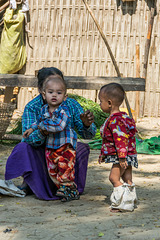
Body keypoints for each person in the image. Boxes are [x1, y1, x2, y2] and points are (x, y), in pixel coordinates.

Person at [5, 67, 96, 200]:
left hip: (63, 150)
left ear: (64, 91)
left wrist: (86, 125)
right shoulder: (33, 107)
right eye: (50, 90)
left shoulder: (70, 105)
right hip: (43, 152)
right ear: (41, 91)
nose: (54, 94)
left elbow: (88, 134)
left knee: (81, 148)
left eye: (58, 90)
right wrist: (42, 132)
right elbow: (28, 138)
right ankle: (32, 182)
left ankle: (69, 187)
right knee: (22, 147)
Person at [23, 74, 79, 202]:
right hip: (51, 146)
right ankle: (71, 190)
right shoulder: (43, 110)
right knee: (53, 170)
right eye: (50, 92)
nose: (54, 95)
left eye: (59, 93)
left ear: (65, 97)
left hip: (65, 145)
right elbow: (38, 122)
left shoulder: (64, 110)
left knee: (65, 166)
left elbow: (59, 125)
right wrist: (31, 129)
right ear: (44, 95)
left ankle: (66, 187)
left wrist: (43, 126)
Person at [98, 83, 138, 212]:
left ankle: (119, 203)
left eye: (101, 101)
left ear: (109, 103)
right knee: (127, 179)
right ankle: (130, 202)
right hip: (129, 154)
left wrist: (121, 157)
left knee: (113, 178)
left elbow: (120, 140)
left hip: (120, 156)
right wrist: (103, 154)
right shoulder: (124, 117)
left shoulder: (115, 121)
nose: (99, 104)